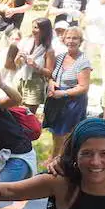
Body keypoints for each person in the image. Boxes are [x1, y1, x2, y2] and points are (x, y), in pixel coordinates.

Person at [43, 26, 92, 161]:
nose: (71, 41)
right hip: (57, 100)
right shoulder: (60, 57)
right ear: (64, 40)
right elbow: (51, 76)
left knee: (66, 133)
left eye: (75, 38)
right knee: (55, 131)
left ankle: (60, 160)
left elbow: (83, 87)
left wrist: (63, 93)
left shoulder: (83, 61)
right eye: (68, 38)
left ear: (80, 41)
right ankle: (55, 156)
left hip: (73, 102)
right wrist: (51, 83)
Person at [14, 17, 55, 115]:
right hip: (20, 79)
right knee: (15, 109)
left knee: (28, 114)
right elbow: (16, 62)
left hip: (35, 84)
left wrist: (35, 65)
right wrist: (18, 57)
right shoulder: (26, 42)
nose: (33, 30)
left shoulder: (49, 50)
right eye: (33, 27)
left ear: (44, 30)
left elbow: (49, 73)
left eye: (36, 28)